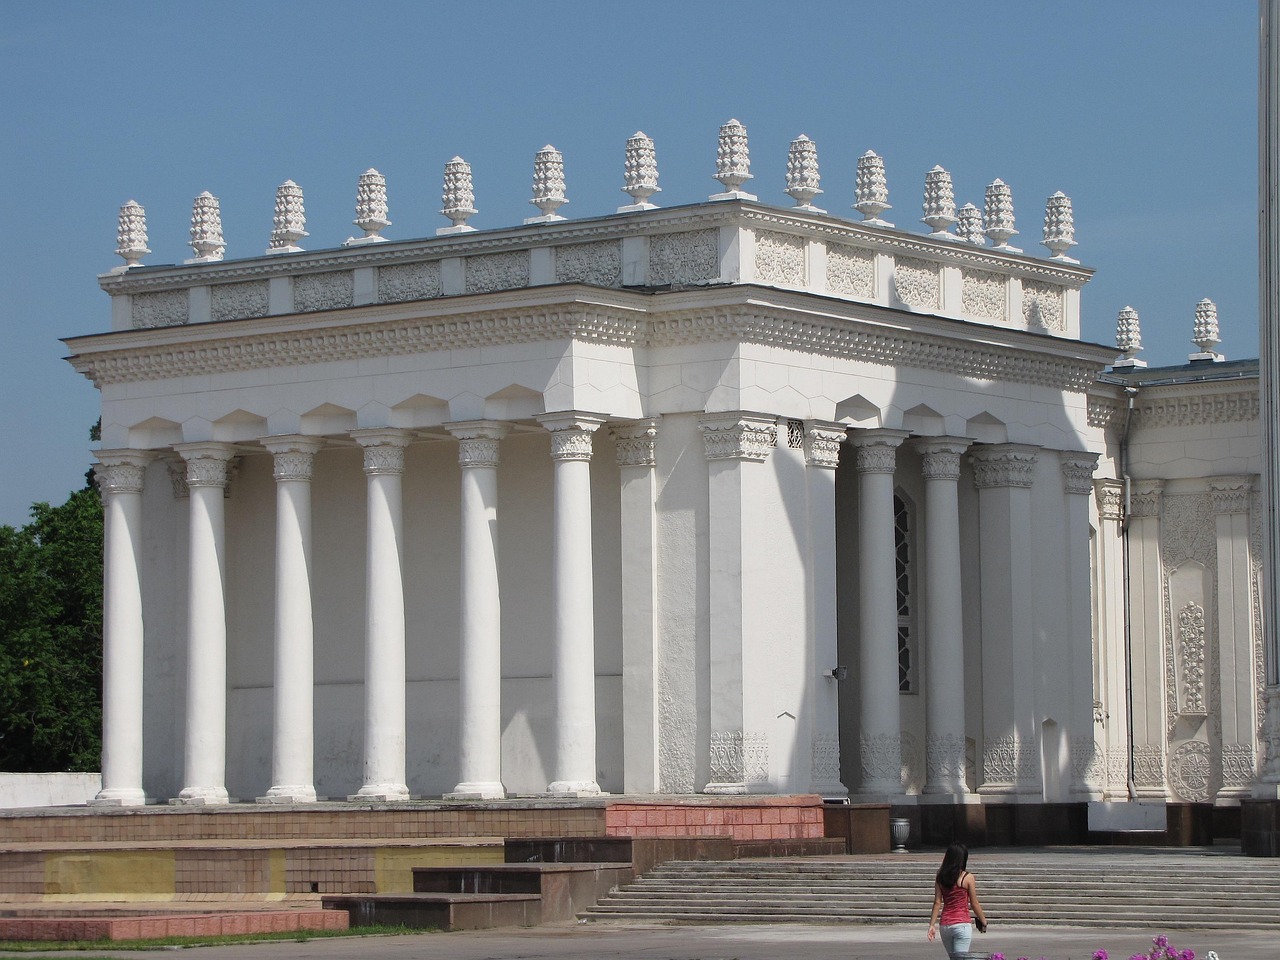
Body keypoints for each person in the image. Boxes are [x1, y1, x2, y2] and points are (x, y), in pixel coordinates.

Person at [927, 842, 988, 958]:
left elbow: (937, 902)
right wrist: (983, 920)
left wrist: (931, 925)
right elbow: (974, 903)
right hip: (962, 924)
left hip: (945, 925)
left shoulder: (940, 876)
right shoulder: (967, 877)